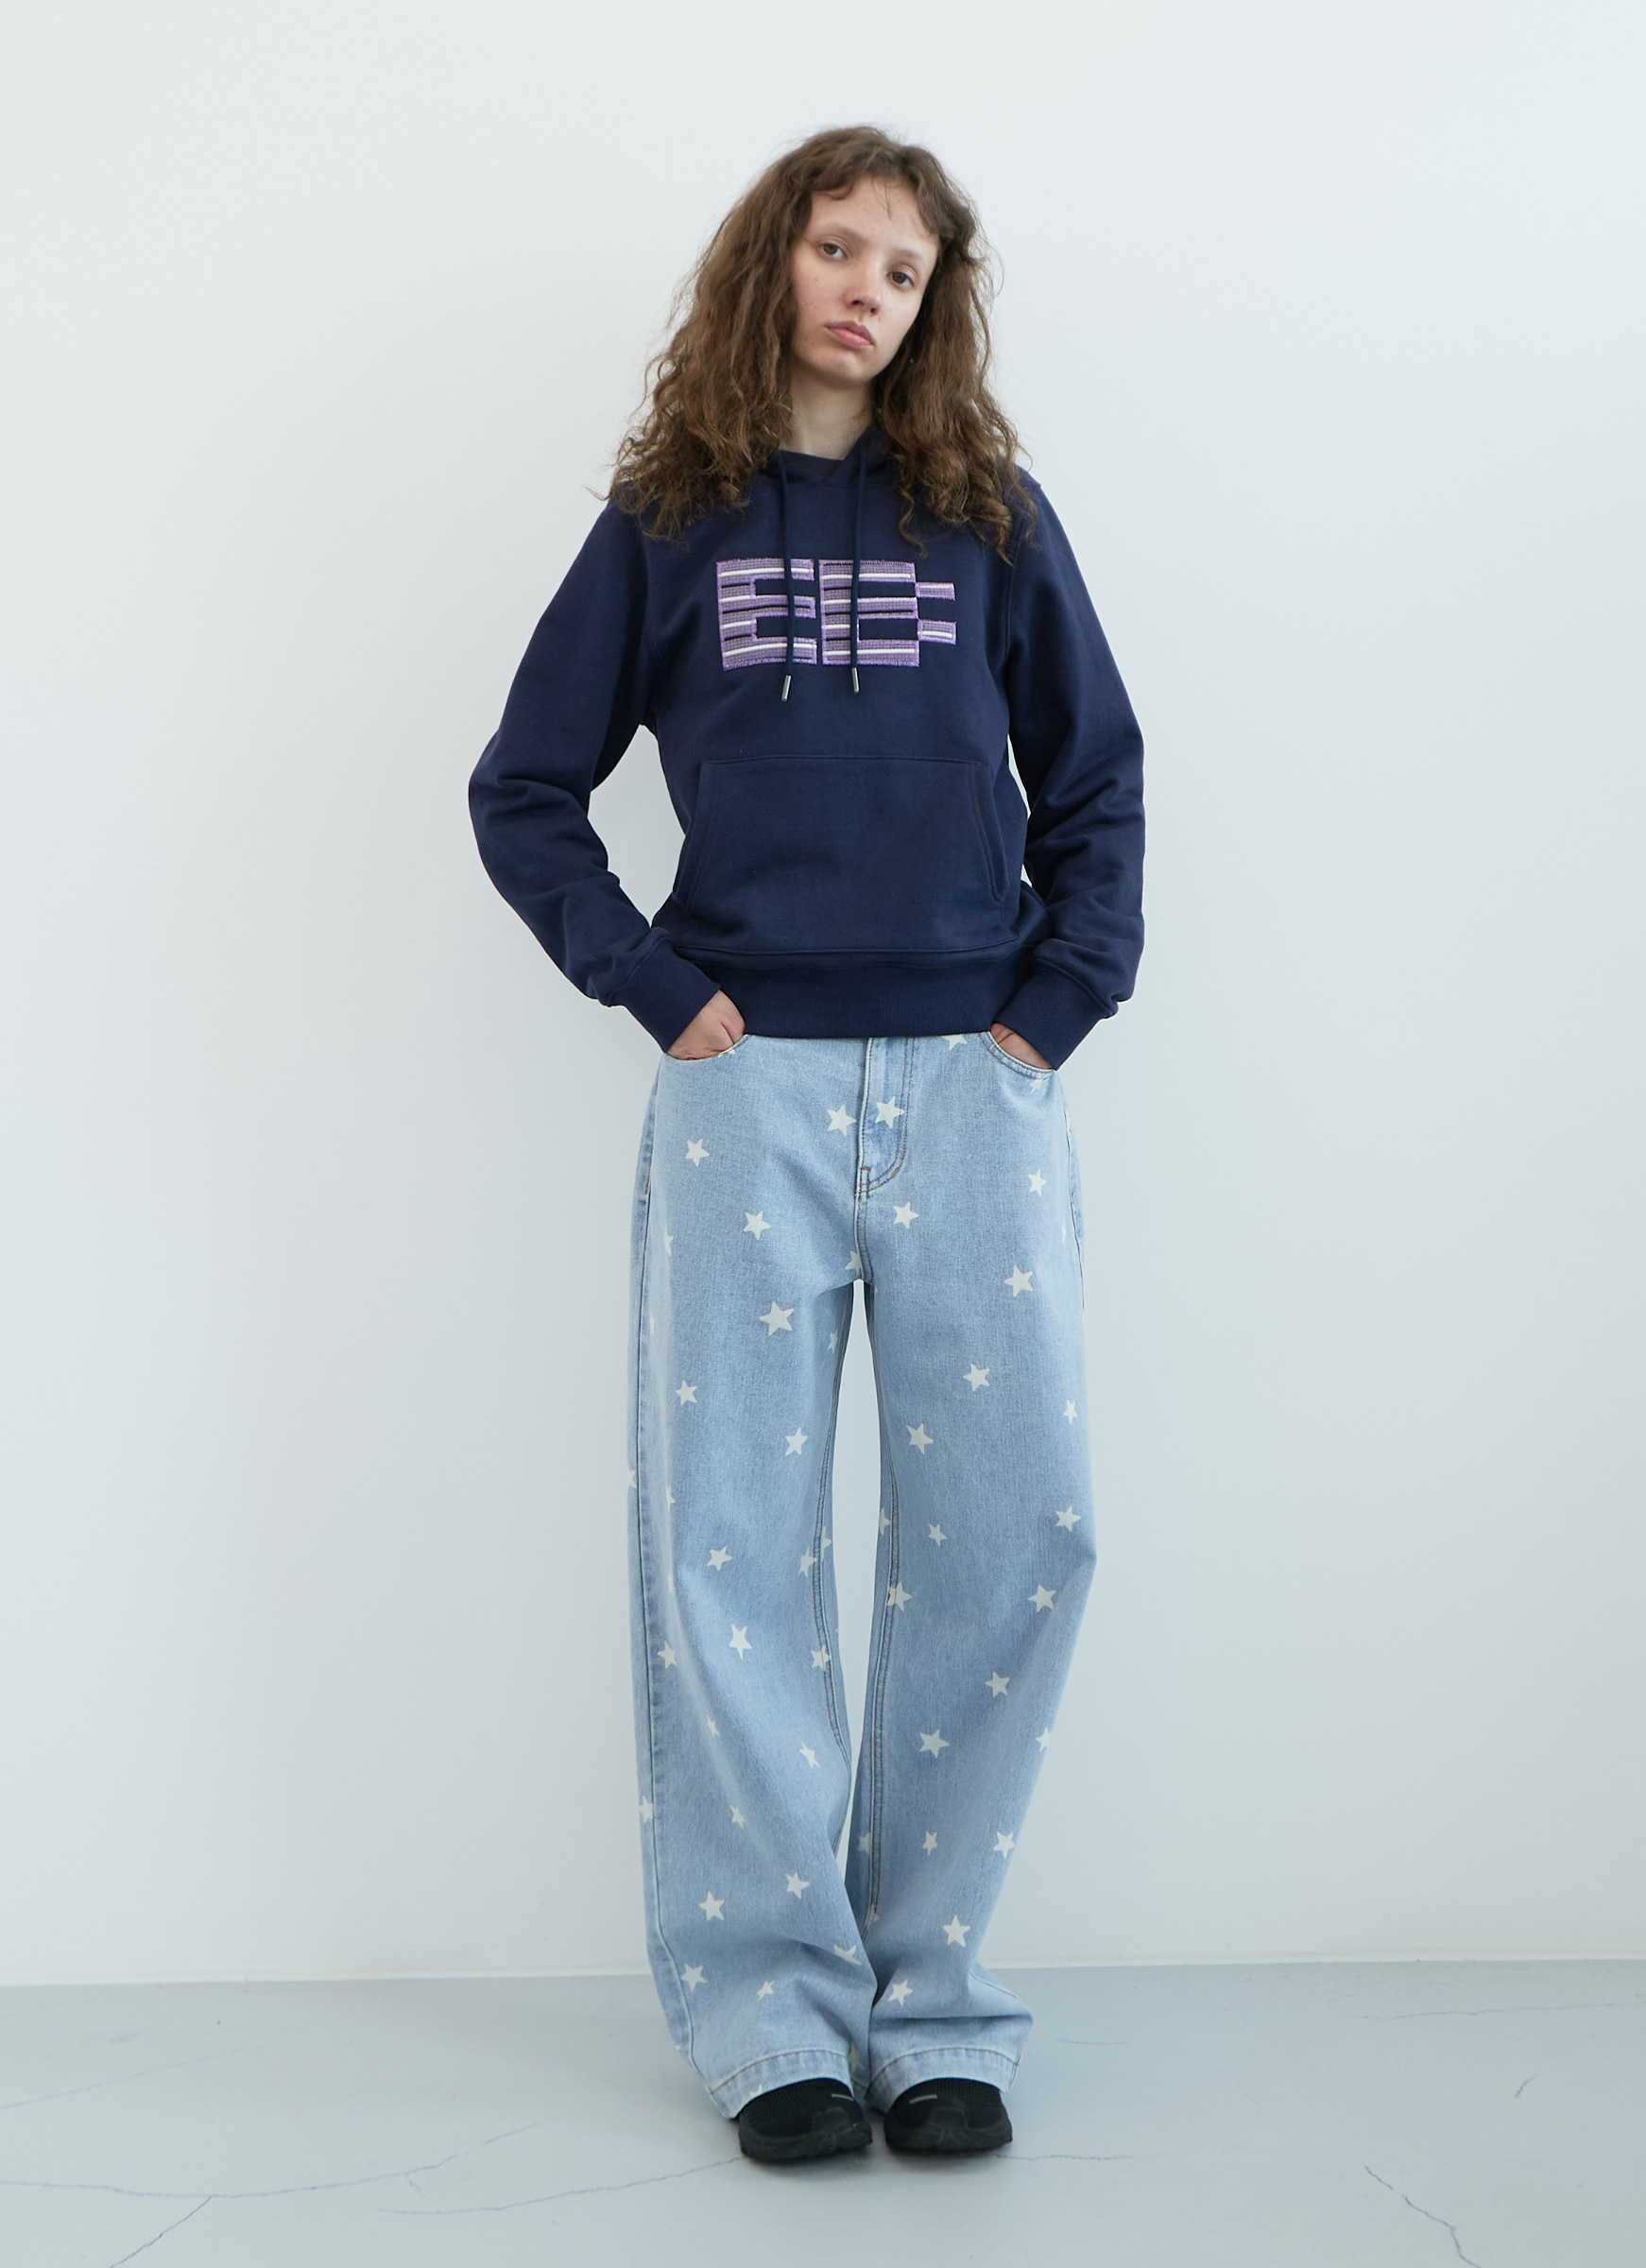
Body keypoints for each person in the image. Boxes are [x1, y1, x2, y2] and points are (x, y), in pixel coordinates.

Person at [468, 124, 1145, 2165]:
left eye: (905, 268)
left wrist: (1052, 1010)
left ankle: (934, 2004)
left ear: (935, 309)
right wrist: (655, 987)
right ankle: (773, 2012)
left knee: (1017, 1533)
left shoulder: (987, 514)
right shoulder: (666, 522)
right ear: (773, 261)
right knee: (731, 1548)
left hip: (973, 1082)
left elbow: (1099, 776)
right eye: (838, 246)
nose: (868, 287)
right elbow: (524, 788)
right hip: (743, 1086)